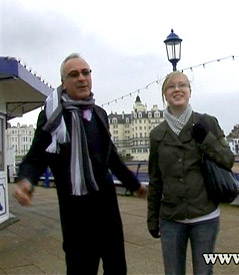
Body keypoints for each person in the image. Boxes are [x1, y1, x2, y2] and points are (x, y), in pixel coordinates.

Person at [14, 53, 146, 275]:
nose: (82, 78)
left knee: (117, 268)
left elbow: (111, 158)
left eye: (86, 72)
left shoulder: (99, 114)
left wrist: (135, 185)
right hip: (76, 217)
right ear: (63, 83)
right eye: (74, 75)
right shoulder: (53, 118)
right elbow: (36, 157)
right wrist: (26, 180)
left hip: (108, 212)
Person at [147, 71, 235, 274]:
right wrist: (152, 218)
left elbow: (228, 159)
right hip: (171, 219)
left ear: (190, 91)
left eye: (182, 85)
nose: (177, 89)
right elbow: (155, 180)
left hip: (205, 216)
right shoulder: (157, 135)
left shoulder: (207, 123)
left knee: (204, 272)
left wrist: (206, 139)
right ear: (164, 94)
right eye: (171, 86)